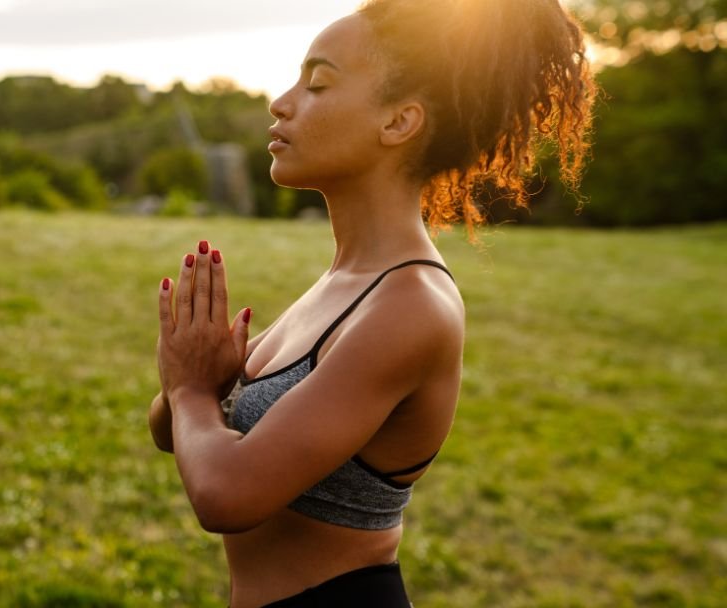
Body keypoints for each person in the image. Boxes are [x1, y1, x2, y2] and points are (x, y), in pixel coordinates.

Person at [148, 0, 597, 605]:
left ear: (398, 121)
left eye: (318, 83)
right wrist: (199, 382)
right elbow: (178, 431)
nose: (281, 103)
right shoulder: (345, 281)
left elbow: (226, 494)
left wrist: (189, 391)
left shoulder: (409, 306)